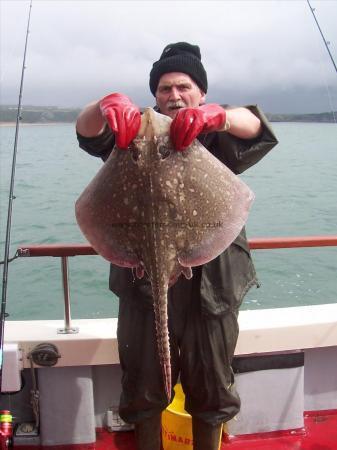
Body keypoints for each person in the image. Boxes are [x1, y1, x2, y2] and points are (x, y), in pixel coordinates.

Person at [76, 42, 278, 450]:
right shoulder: (129, 137)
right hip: (142, 281)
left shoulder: (218, 138)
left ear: (201, 93)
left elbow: (255, 125)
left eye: (184, 87)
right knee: (142, 386)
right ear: (154, 96)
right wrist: (103, 105)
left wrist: (217, 117)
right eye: (165, 89)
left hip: (213, 290)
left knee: (212, 387)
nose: (174, 96)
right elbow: (86, 131)